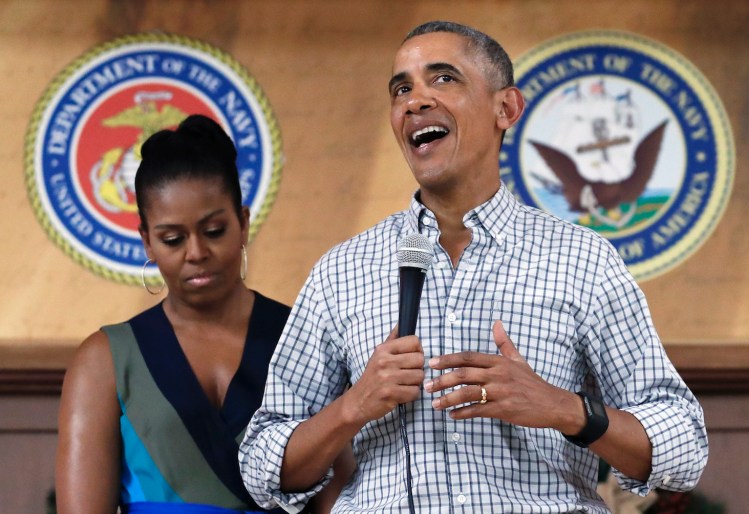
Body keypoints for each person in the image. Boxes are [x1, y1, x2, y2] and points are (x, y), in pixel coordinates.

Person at [238, 21, 708, 513]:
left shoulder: (582, 260)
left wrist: (563, 409)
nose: (415, 101)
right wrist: (352, 407)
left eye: (443, 79)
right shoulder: (342, 271)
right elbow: (263, 468)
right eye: (402, 89)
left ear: (506, 108)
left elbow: (684, 447)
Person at [56, 114, 318, 514]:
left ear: (243, 223)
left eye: (214, 231)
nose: (196, 253)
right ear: (147, 241)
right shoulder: (103, 360)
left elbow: (343, 491)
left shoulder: (302, 337)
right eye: (172, 239)